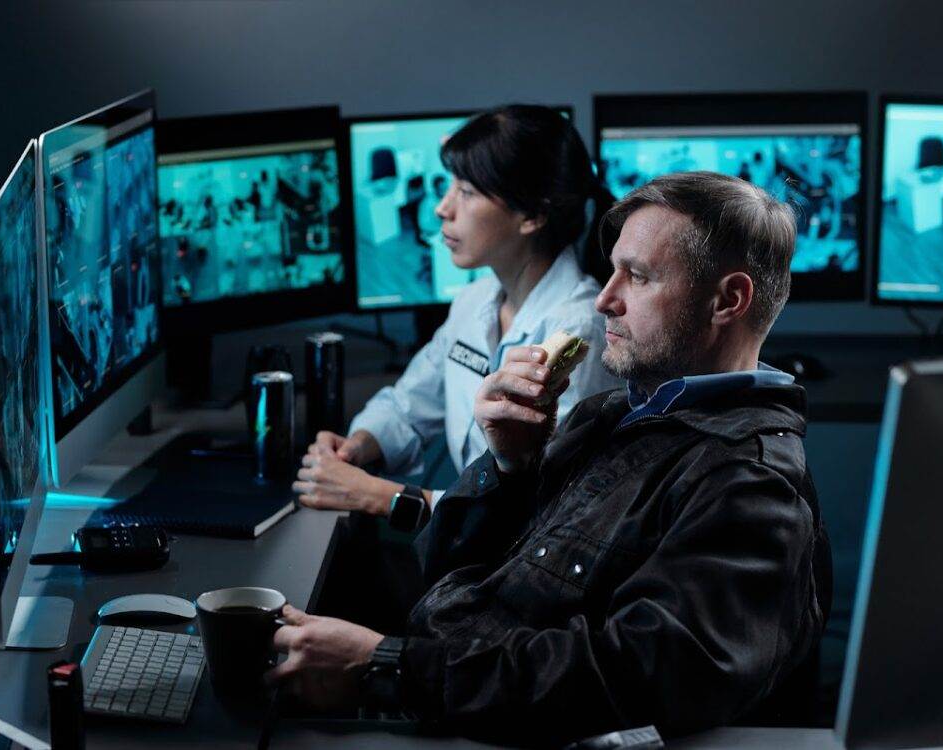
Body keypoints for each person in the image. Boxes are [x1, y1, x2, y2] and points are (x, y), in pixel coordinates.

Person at [268, 171, 832, 744]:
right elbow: (439, 567)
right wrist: (510, 466)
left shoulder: (751, 487)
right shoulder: (608, 415)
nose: (606, 299)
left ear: (727, 300)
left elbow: (625, 678)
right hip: (443, 692)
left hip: (463, 711)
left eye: (635, 276)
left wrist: (385, 668)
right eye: (612, 270)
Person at [294, 105, 620, 520]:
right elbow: (408, 405)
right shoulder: (476, 300)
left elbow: (545, 510)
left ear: (533, 214)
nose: (442, 208)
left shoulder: (577, 331)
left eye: (466, 192)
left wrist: (382, 496)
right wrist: (357, 444)